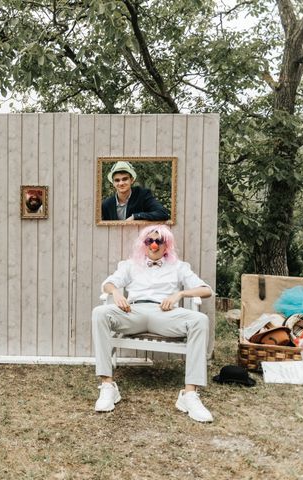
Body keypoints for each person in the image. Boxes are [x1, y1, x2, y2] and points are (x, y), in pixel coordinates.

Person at [91, 225, 214, 422]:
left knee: (200, 320)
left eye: (159, 241)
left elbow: (206, 290)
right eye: (150, 241)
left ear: (167, 245)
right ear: (144, 244)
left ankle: (189, 394)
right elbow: (107, 284)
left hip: (164, 313)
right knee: (100, 313)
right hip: (134, 312)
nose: (154, 245)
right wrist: (115, 292)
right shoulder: (130, 265)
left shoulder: (179, 267)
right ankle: (108, 386)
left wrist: (180, 294)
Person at [101, 161, 169, 221]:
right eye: (117, 180)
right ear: (113, 183)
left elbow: (163, 213)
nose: (121, 183)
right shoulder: (107, 204)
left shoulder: (143, 195)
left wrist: (135, 216)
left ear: (132, 180)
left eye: (125, 179)